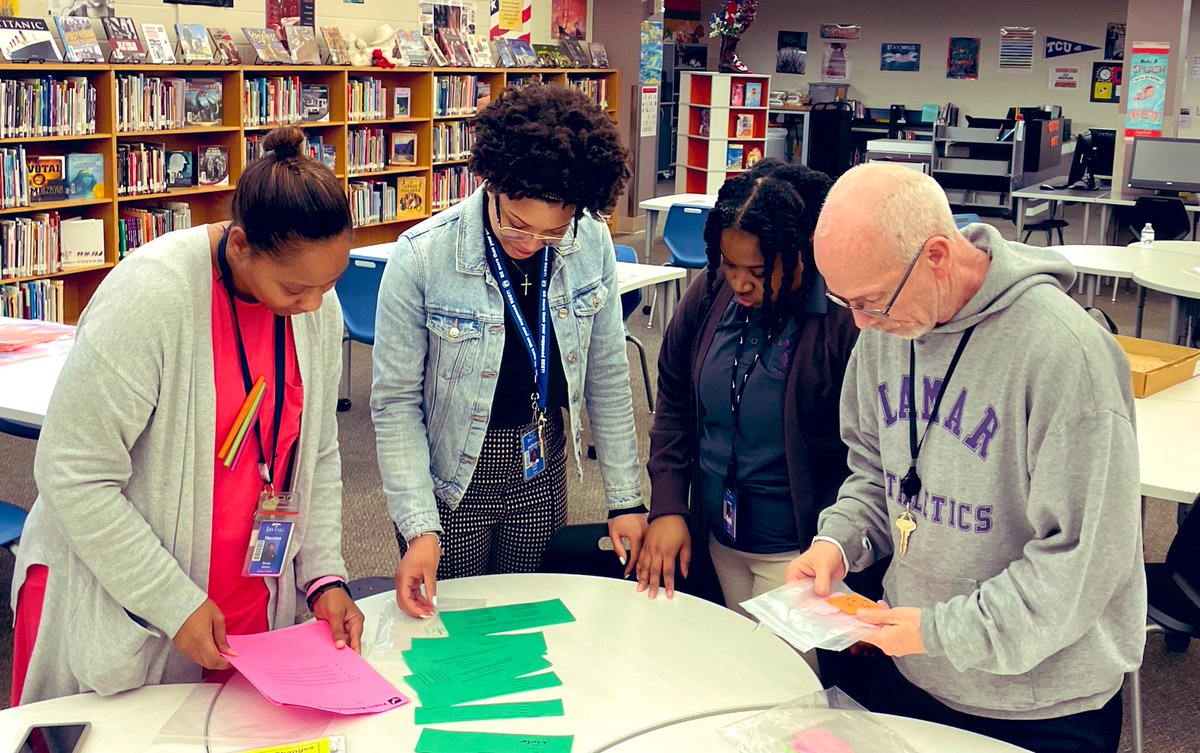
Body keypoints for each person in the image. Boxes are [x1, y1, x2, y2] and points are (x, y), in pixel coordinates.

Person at [787, 163, 1145, 753]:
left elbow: (1080, 564)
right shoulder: (887, 331)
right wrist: (838, 541)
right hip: (914, 669)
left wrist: (938, 631)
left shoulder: (1066, 356)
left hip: (1038, 704)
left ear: (935, 255)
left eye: (872, 300)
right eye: (843, 300)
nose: (859, 323)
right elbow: (877, 474)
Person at [10, 126, 363, 705]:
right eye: (297, 288)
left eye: (330, 283)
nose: (316, 305)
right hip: (134, 598)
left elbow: (317, 452)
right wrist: (172, 600)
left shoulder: (313, 306)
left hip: (242, 597)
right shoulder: (150, 297)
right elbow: (73, 473)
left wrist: (322, 575)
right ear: (242, 244)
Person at [372, 85, 646, 618]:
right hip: (452, 477)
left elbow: (608, 376)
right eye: (516, 223)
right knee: (452, 628)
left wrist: (626, 499)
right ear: (491, 183)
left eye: (553, 231)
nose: (531, 242)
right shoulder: (424, 257)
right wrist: (418, 526)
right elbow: (395, 404)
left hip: (540, 463)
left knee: (530, 617)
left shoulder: (590, 243)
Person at [637, 160, 859, 613]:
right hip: (718, 535)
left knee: (789, 680)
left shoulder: (844, 320)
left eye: (758, 271)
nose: (738, 281)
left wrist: (845, 551)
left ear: (802, 252)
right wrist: (668, 504)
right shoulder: (712, 292)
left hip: (800, 553)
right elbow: (675, 400)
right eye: (728, 263)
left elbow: (869, 459)